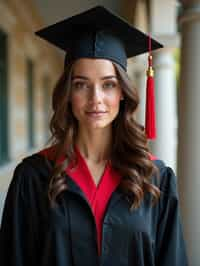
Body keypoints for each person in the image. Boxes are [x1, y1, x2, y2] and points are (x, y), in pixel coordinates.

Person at [0, 5, 188, 266]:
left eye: (108, 84)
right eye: (81, 85)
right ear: (68, 92)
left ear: (122, 92)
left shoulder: (156, 179)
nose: (95, 99)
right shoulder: (33, 178)